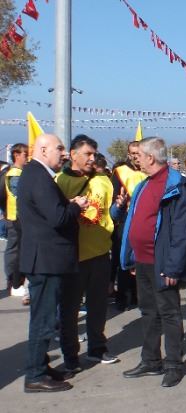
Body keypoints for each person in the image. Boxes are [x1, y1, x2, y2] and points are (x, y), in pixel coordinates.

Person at [118, 137, 186, 387]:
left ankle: (173, 365)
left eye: (139, 155)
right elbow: (135, 221)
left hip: (163, 263)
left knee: (169, 314)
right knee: (148, 312)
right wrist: (132, 256)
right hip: (142, 261)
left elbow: (182, 231)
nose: (135, 159)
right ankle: (150, 360)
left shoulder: (176, 185)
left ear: (150, 157)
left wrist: (173, 267)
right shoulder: (144, 184)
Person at [19, 134, 88, 393]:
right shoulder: (39, 176)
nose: (64, 153)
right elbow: (58, 218)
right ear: (43, 149)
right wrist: (76, 206)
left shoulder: (36, 174)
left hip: (45, 258)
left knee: (43, 318)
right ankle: (35, 375)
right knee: (44, 321)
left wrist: (66, 205)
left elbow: (48, 211)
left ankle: (40, 366)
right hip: (46, 260)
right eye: (59, 148)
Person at [55, 135, 120, 374]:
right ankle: (70, 355)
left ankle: (97, 347)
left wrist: (119, 207)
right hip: (73, 257)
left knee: (98, 306)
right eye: (87, 154)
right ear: (73, 155)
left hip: (100, 253)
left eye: (94, 154)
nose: (92, 158)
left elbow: (109, 214)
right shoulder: (59, 181)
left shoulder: (103, 181)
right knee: (69, 310)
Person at [111, 141, 147, 311]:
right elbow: (115, 198)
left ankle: (137, 295)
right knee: (123, 259)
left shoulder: (148, 171)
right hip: (125, 221)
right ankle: (122, 297)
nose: (136, 156)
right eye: (133, 153)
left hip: (143, 222)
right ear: (128, 154)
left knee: (140, 259)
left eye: (139, 153)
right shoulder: (120, 172)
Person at [4, 143, 28, 304]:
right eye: (25, 154)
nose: (27, 157)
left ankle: (16, 280)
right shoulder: (14, 174)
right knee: (15, 251)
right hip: (16, 217)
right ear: (16, 155)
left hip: (18, 216)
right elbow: (21, 195)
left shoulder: (19, 172)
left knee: (18, 249)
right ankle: (14, 281)